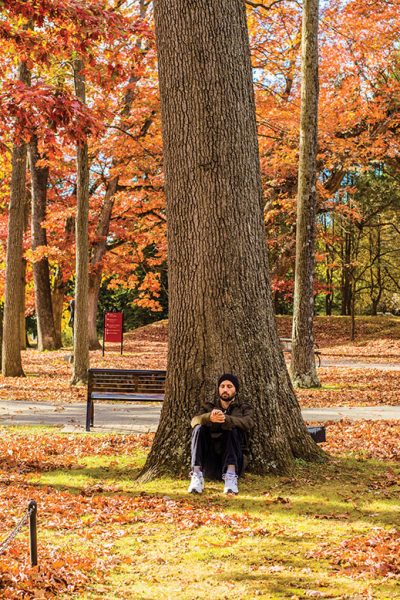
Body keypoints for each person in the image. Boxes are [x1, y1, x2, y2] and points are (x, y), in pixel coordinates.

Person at [188, 373, 254, 495]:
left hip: (234, 459)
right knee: (198, 429)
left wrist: (227, 419)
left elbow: (248, 422)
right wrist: (209, 418)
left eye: (229, 386)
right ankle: (196, 475)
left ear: (236, 390)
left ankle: (230, 477)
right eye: (222, 386)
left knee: (232, 430)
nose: (225, 389)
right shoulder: (209, 407)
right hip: (210, 461)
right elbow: (194, 421)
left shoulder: (243, 408)